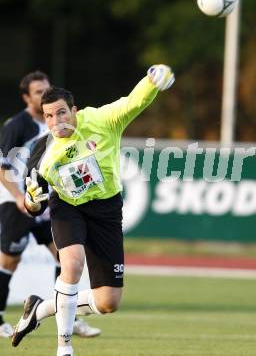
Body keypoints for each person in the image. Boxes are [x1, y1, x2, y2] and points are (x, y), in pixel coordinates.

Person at [12, 64, 175, 356]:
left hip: (106, 210)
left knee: (108, 303)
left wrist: (152, 82)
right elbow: (32, 205)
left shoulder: (101, 120)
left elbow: (133, 102)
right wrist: (32, 200)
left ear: (75, 110)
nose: (56, 121)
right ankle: (64, 347)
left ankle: (40, 310)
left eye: (61, 112)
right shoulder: (43, 151)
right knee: (71, 265)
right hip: (67, 208)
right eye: (48, 116)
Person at [0, 71, 100, 339]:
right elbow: (2, 167)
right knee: (10, 260)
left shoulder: (57, 121)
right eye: (37, 92)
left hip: (45, 202)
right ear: (25, 97)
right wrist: (19, 196)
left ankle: (71, 316)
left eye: (46, 90)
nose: (43, 95)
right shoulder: (17, 125)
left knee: (65, 257)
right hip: (17, 204)